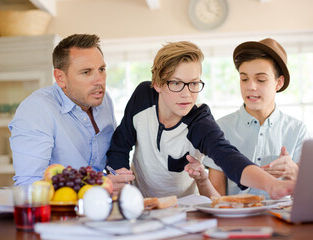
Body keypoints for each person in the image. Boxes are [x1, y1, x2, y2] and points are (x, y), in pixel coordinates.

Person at [106, 41, 294, 199]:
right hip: (140, 202)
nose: (187, 94)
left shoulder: (199, 120)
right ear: (157, 84)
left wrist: (271, 184)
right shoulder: (142, 97)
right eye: (176, 83)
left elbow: (228, 156)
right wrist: (121, 175)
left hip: (185, 210)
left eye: (194, 83)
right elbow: (120, 145)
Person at [9, 34, 134, 194]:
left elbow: (107, 161)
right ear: (60, 78)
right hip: (59, 214)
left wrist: (116, 176)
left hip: (99, 208)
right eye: (86, 72)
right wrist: (98, 185)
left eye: (101, 69)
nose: (99, 81)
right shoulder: (37, 109)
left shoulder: (103, 100)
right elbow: (29, 186)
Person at [202, 38, 310, 197]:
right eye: (244, 78)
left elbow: (307, 196)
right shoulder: (221, 128)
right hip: (236, 219)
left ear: (278, 83)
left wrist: (294, 172)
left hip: (282, 219)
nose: (250, 86)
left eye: (261, 80)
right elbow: (215, 197)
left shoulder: (297, 130)